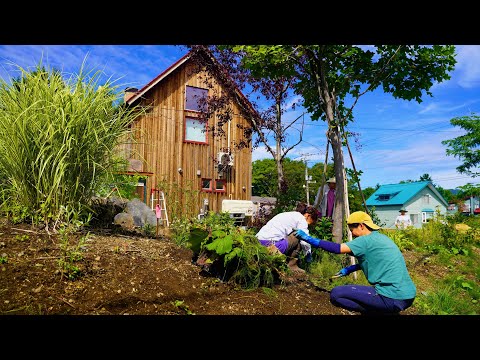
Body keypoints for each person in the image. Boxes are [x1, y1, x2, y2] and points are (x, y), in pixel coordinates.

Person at [293, 211, 416, 315]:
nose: (352, 234)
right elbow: (376, 261)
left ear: (362, 226)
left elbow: (337, 249)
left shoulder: (365, 240)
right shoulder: (381, 238)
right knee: (350, 290)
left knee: (336, 294)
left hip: (391, 297)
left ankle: (377, 311)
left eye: (352, 230)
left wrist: (309, 239)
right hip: (407, 295)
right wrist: (350, 269)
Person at [256, 202, 319, 274]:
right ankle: (292, 265)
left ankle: (285, 261)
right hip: (271, 246)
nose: (310, 225)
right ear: (308, 216)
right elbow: (305, 239)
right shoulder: (302, 219)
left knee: (291, 235)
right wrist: (308, 253)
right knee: (298, 236)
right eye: (311, 223)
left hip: (258, 243)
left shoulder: (287, 214)